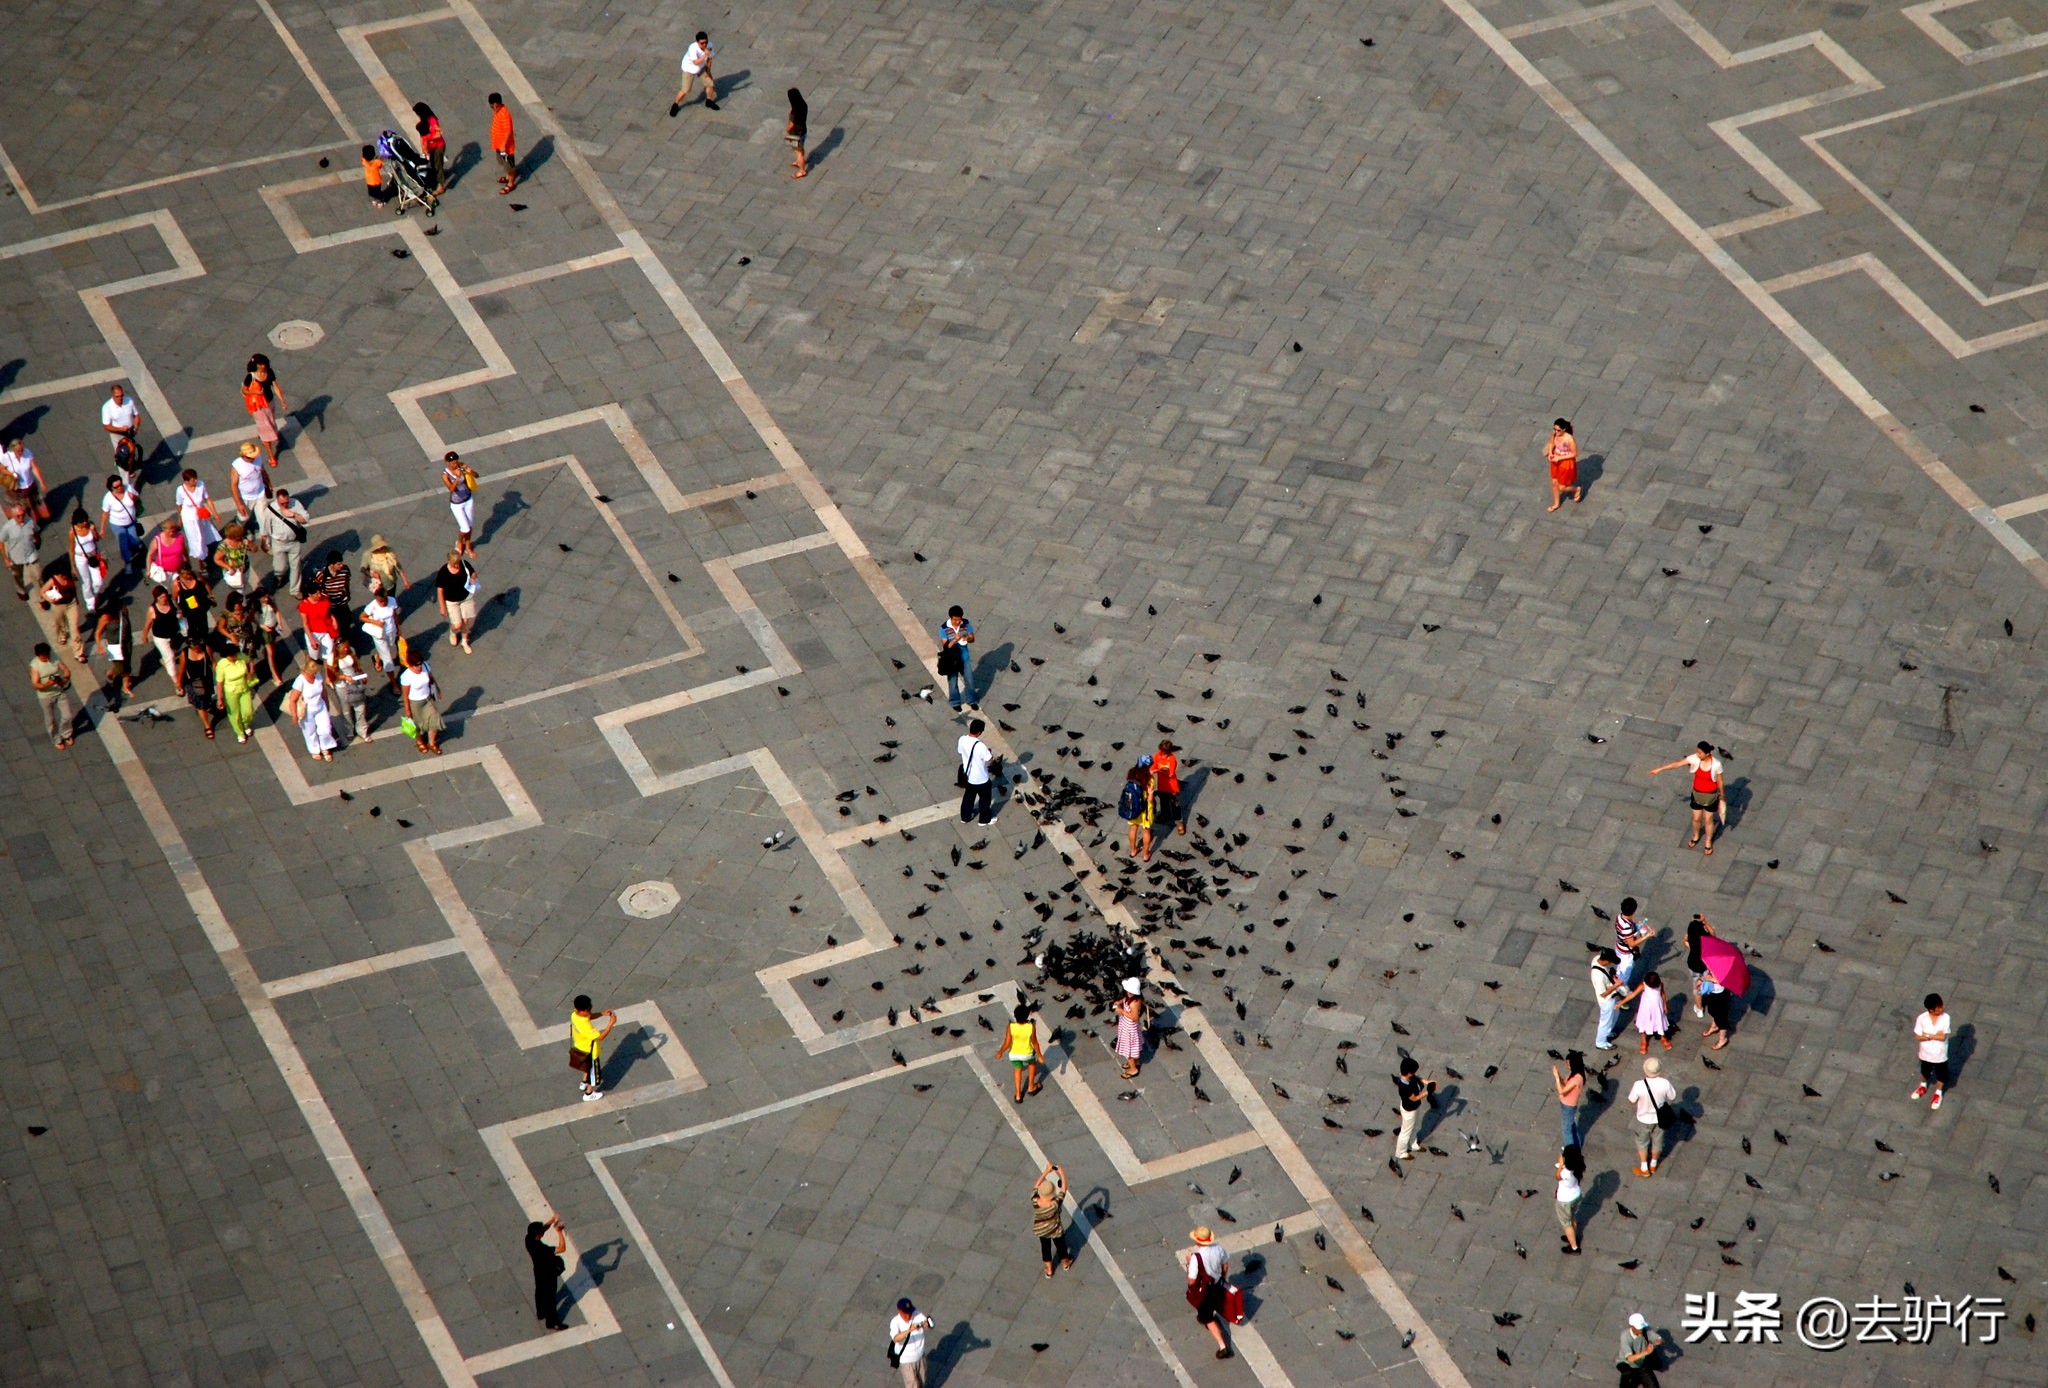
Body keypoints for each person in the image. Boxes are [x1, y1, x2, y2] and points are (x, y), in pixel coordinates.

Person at [1649, 740, 1725, 855]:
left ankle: (1708, 841)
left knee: (1708, 819)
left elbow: (1720, 781)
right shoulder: (1695, 759)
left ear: (1707, 753)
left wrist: (1722, 797)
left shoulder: (1716, 764)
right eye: (1697, 752)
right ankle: (1695, 836)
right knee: (1696, 818)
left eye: (1700, 753)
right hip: (1697, 794)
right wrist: (1660, 769)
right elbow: (1677, 764)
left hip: (1710, 795)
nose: (1697, 754)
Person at [1184, 1227, 1232, 1360]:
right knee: (1212, 1304)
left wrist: (1188, 1264)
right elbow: (1225, 1265)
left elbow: (1192, 1281)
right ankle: (1204, 1315)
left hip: (1204, 1291)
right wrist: (1222, 1277)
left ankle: (1223, 1346)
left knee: (1208, 1318)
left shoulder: (1195, 1257)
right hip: (1216, 1284)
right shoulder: (1218, 1248)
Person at [1625, 1057, 1678, 1177]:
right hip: (1660, 1119)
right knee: (1658, 1142)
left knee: (1642, 1142)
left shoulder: (1639, 1085)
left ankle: (1644, 1167)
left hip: (1643, 1119)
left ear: (1645, 1070)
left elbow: (1631, 1100)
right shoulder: (1664, 1083)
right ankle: (1653, 1164)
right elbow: (1672, 1097)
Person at [285, 655, 337, 761]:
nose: (315, 674)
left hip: (320, 705)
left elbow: (323, 691)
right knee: (310, 731)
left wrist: (326, 703)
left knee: (325, 729)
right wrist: (294, 715)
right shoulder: (300, 681)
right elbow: (292, 700)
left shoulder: (318, 675)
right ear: (307, 671)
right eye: (313, 673)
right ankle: (314, 749)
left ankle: (325, 746)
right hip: (307, 709)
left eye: (316, 672)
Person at [259, 486, 309, 593]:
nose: (285, 505)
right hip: (278, 543)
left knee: (296, 567)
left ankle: (295, 590)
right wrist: (264, 541)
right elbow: (265, 526)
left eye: (286, 502)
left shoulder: (295, 504)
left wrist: (293, 515)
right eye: (282, 503)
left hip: (294, 542)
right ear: (277, 500)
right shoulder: (271, 509)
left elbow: (305, 519)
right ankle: (279, 577)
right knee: (280, 567)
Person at [242, 355, 287, 469]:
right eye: (261, 364)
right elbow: (244, 390)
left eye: (265, 364)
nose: (263, 366)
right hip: (259, 407)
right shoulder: (250, 376)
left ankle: (265, 435)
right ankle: (271, 455)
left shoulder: (269, 372)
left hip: (270, 402)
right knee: (266, 429)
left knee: (271, 422)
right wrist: (256, 393)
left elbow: (275, 386)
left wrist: (282, 401)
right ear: (256, 365)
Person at [525, 1215, 568, 1331]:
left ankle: (541, 1312)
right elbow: (562, 1248)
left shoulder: (528, 1239)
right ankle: (552, 1321)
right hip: (548, 1273)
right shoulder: (542, 1249)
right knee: (550, 1298)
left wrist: (552, 1220)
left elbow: (543, 1228)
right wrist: (559, 1232)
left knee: (539, 1291)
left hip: (538, 1271)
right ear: (538, 1235)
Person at [35, 567, 87, 664]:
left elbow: (74, 588)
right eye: (59, 575)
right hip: (58, 605)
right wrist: (50, 600)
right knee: (59, 623)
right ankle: (61, 634)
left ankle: (78, 653)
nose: (61, 577)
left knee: (75, 628)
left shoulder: (70, 578)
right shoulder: (53, 580)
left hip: (72, 604)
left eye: (62, 575)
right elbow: (42, 591)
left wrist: (77, 599)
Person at [1031, 1161, 1073, 1277]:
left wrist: (1046, 1171)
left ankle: (1049, 1270)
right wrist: (1062, 1173)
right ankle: (1065, 1263)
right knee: (1061, 1246)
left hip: (1041, 1230)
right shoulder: (1055, 1204)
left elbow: (1036, 1185)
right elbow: (1064, 1189)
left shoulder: (1034, 1200)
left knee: (1045, 1248)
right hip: (1055, 1230)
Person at [570, 994, 617, 1100]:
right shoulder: (585, 1026)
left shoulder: (574, 1015)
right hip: (590, 1052)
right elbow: (601, 1037)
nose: (590, 1010)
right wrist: (610, 1024)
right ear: (583, 1010)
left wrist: (601, 1014)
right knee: (593, 1074)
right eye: (589, 1009)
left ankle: (583, 1082)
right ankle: (589, 1093)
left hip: (579, 1047)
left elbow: (589, 1016)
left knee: (586, 1066)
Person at [28, 642, 72, 749]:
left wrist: (64, 680)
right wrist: (49, 683)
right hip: (46, 696)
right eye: (44, 656)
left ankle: (66, 733)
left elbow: (66, 671)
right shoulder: (35, 666)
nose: (47, 658)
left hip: (59, 691)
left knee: (68, 715)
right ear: (38, 655)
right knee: (50, 719)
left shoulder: (54, 658)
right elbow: (36, 685)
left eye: (47, 655)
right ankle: (56, 739)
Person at [94, 596, 136, 708]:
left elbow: (128, 625)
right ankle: (110, 673)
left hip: (126, 642)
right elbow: (98, 633)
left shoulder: (123, 611)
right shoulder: (105, 617)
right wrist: (100, 646)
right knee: (120, 668)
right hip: (114, 645)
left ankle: (125, 687)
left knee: (127, 665)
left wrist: (130, 639)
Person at [400, 649, 444, 754]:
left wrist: (437, 689)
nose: (419, 667)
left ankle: (432, 743)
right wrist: (407, 709)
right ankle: (419, 742)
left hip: (427, 699)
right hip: (415, 703)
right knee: (417, 725)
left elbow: (431, 678)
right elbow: (405, 695)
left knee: (435, 720)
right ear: (410, 665)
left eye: (420, 664)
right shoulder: (406, 676)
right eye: (416, 665)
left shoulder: (425, 666)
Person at [434, 549, 478, 653]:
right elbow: (440, 591)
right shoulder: (443, 572)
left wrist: (472, 578)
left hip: (466, 597)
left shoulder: (464, 564)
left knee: (466, 621)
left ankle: (464, 641)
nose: (457, 566)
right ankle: (453, 632)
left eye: (458, 563)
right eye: (454, 564)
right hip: (452, 601)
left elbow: (474, 573)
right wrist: (442, 607)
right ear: (449, 561)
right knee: (458, 624)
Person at [1911, 993, 1950, 1110]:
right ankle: (1922, 1086)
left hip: (1940, 1054)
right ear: (1930, 1009)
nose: (1941, 1009)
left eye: (1941, 1006)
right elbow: (1917, 1036)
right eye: (1938, 1008)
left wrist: (1926, 1035)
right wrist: (1934, 1035)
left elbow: (1943, 1037)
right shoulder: (1921, 1019)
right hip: (1925, 1053)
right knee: (1924, 1071)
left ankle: (1938, 1093)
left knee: (1941, 1075)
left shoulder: (1945, 1017)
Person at [998, 1003, 1043, 1102]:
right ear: (1027, 1016)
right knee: (1032, 1064)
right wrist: (1039, 1055)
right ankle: (1031, 1087)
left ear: (1015, 1016)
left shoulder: (1010, 1026)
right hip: (1027, 1053)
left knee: (1017, 1070)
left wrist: (1000, 1052)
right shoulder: (1031, 1027)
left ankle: (1018, 1095)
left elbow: (1007, 1041)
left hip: (1014, 1054)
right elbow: (1034, 1042)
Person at [1392, 1056, 1434, 1159]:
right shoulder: (1404, 1086)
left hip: (1414, 1107)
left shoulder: (1409, 1077)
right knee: (1405, 1132)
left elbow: (1417, 1078)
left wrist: (1427, 1082)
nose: (1415, 1073)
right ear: (1409, 1072)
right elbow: (1414, 1098)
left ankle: (1413, 1144)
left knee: (1416, 1125)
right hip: (1409, 1110)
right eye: (1414, 1071)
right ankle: (1400, 1153)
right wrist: (1428, 1092)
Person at [99, 474, 144, 570]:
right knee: (124, 545)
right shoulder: (108, 499)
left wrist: (134, 498)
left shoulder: (129, 489)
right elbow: (105, 514)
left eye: (121, 485)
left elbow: (138, 498)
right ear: (111, 488)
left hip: (131, 522)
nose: (120, 488)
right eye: (117, 487)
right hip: (118, 525)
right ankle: (128, 562)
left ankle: (132, 549)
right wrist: (102, 529)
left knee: (135, 541)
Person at [1623, 969, 1674, 1053]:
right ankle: (1644, 1041)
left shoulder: (1660, 984)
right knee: (1644, 1025)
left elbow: (1663, 994)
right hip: (1646, 1010)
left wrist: (1665, 1005)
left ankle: (1662, 1037)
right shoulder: (1643, 986)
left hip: (1657, 1009)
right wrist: (1621, 1002)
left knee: (1659, 1022)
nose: (1654, 988)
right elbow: (1633, 994)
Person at [174, 468, 221, 558]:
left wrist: (215, 514)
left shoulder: (201, 484)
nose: (195, 481)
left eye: (196, 478)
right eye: (193, 480)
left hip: (200, 514)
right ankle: (199, 554)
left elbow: (208, 499)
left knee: (202, 533)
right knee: (194, 536)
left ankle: (203, 550)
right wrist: (180, 519)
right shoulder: (180, 490)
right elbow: (179, 506)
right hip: (188, 517)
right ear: (186, 481)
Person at [215, 642, 257, 743]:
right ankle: (240, 732)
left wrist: (251, 672)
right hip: (231, 692)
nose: (234, 657)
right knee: (234, 714)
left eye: (235, 654)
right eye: (231, 656)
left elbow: (250, 661)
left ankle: (245, 724)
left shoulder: (241, 657)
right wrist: (220, 698)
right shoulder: (222, 665)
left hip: (244, 689)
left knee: (248, 712)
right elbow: (219, 683)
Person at [935, 605, 976, 709]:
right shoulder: (944, 628)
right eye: (955, 619)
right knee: (953, 682)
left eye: (959, 619)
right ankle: (955, 702)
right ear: (950, 617)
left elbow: (972, 638)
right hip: (951, 659)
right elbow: (946, 646)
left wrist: (968, 638)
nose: (957, 622)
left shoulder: (966, 624)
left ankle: (971, 700)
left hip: (964, 656)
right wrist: (954, 640)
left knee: (969, 679)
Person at [362, 588, 401, 691]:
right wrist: (375, 622)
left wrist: (398, 628)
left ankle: (377, 657)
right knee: (387, 658)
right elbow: (362, 617)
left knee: (389, 647)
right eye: (381, 601)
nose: (383, 603)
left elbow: (395, 615)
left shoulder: (392, 600)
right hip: (379, 635)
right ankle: (393, 683)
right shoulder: (372, 606)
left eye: (385, 600)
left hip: (391, 631)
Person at [1, 436, 48, 524]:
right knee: (22, 508)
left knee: (33, 504)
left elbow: (34, 467)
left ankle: (35, 520)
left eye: (22, 449)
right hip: (17, 489)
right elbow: (2, 469)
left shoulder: (27, 452)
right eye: (18, 451)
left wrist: (42, 482)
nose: (21, 452)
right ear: (13, 450)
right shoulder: (7, 457)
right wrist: (11, 474)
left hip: (30, 485)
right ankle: (26, 522)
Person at [887, 1298, 932, 1387]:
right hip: (907, 1360)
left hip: (920, 1357)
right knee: (912, 1384)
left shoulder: (917, 1314)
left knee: (922, 1381)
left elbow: (930, 1324)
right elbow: (896, 1338)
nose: (909, 1315)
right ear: (899, 1311)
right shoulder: (895, 1322)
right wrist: (909, 1330)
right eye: (906, 1312)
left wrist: (927, 1324)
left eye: (910, 1311)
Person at [146, 586, 183, 694]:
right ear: (156, 598)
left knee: (173, 650)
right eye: (162, 597)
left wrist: (179, 613)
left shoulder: (171, 601)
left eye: (165, 596)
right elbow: (148, 623)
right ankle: (177, 683)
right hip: (160, 637)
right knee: (170, 657)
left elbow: (178, 608)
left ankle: (165, 658)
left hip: (174, 633)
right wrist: (144, 635)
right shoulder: (153, 609)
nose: (164, 599)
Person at [670, 31, 718, 115]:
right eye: (702, 43)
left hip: (702, 68)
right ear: (697, 42)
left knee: (710, 84)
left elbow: (710, 59)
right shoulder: (692, 48)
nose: (704, 44)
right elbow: (696, 62)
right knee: (685, 90)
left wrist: (708, 71)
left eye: (706, 42)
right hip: (689, 69)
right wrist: (705, 55)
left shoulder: (709, 45)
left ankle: (709, 100)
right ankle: (675, 104)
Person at [957, 717, 994, 824]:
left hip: (968, 776)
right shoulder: (981, 746)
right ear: (979, 732)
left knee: (968, 798)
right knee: (985, 801)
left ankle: (965, 817)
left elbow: (960, 751)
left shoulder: (962, 739)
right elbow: (990, 760)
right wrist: (989, 752)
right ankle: (984, 820)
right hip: (982, 779)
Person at [331, 648, 371, 744]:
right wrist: (344, 677)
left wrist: (362, 674)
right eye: (343, 647)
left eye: (346, 646)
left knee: (360, 707)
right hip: (342, 686)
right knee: (346, 709)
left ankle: (362, 731)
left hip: (355, 682)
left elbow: (357, 665)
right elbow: (332, 674)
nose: (345, 649)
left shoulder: (351, 651)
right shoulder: (332, 657)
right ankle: (349, 730)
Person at [442, 452, 478, 560]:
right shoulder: (445, 474)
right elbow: (451, 489)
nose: (455, 464)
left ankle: (468, 546)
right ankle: (459, 543)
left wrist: (471, 472)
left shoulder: (462, 466)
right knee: (465, 528)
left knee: (470, 526)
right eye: (452, 463)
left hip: (468, 499)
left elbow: (477, 475)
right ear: (447, 462)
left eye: (456, 461)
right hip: (457, 504)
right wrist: (457, 478)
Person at [1591, 947, 1628, 1050]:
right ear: (1606, 961)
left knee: (1615, 1014)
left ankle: (1609, 1032)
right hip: (1606, 1001)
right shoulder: (1598, 976)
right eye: (1611, 962)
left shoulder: (1597, 959)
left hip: (1612, 996)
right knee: (1605, 1022)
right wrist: (1616, 985)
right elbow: (1603, 994)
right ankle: (1601, 1042)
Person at [101, 384, 142, 474]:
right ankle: (125, 478)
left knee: (131, 451)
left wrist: (136, 427)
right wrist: (121, 429)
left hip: (130, 432)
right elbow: (106, 426)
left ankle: (130, 468)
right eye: (117, 396)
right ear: (113, 396)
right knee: (122, 456)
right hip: (117, 434)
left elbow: (136, 415)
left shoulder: (129, 401)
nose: (120, 398)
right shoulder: (107, 407)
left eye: (122, 395)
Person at [1117, 763, 1155, 862]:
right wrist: (1151, 793)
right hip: (1145, 810)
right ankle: (1146, 854)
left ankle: (1133, 850)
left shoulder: (1132, 776)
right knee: (1146, 830)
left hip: (1134, 808)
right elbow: (1150, 800)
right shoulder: (1149, 780)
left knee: (1133, 827)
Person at [1616, 1311, 1664, 1387]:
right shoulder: (1625, 1336)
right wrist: (1646, 1352)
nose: (1641, 1330)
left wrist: (1658, 1342)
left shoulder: (1645, 1330)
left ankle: (1638, 1377)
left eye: (1641, 1327)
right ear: (1631, 1327)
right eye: (1638, 1328)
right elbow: (1630, 1358)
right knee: (1627, 1376)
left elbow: (1658, 1339)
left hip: (1641, 1364)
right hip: (1626, 1364)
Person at [1, 499, 36, 599]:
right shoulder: (7, 528)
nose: (22, 518)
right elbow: (1, 542)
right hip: (15, 556)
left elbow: (35, 530)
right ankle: (21, 590)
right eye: (18, 516)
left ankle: (41, 596)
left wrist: (36, 539)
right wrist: (5, 558)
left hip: (30, 553)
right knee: (18, 575)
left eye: (23, 515)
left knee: (38, 574)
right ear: (13, 516)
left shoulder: (29, 521)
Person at [1683, 912, 1715, 1019]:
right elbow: (1713, 933)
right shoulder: (1707, 940)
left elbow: (1686, 940)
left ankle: (1699, 1009)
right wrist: (1704, 922)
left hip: (1693, 964)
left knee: (1696, 987)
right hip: (1706, 964)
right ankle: (1709, 990)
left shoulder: (1692, 939)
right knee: (1707, 979)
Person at [1113, 978, 1146, 1079]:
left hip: (1130, 1029)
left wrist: (1121, 1011)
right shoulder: (1130, 998)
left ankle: (1133, 1069)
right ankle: (1132, 1063)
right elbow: (1124, 1000)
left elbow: (1135, 1017)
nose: (1129, 993)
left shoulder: (1134, 1003)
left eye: (1130, 992)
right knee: (1130, 1049)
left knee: (1128, 1052)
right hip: (1126, 1026)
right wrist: (1119, 1002)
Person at [1544, 417, 1580, 511]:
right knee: (1554, 482)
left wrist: (1559, 457)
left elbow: (1574, 453)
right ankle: (1556, 503)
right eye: (1554, 429)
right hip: (1556, 460)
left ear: (1564, 429)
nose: (1556, 432)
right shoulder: (1554, 434)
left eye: (1558, 430)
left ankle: (1576, 490)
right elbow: (1551, 443)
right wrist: (1551, 453)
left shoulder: (1569, 439)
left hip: (1565, 462)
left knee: (1562, 487)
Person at [1552, 1050, 1586, 1149]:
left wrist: (1557, 1078)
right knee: (1572, 1126)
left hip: (1568, 1106)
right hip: (1566, 1104)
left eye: (1568, 1063)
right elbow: (1565, 1085)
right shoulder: (1574, 1075)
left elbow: (1562, 1091)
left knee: (1566, 1130)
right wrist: (1559, 1078)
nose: (1567, 1065)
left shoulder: (1577, 1079)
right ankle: (1577, 1145)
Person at [1554, 1144, 1584, 1254]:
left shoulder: (1565, 1172)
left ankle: (1574, 1247)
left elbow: (1557, 1176)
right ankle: (1572, 1236)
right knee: (1572, 1217)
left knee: (1566, 1223)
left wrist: (1561, 1164)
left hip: (1565, 1200)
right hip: (1576, 1195)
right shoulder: (1579, 1165)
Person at [1612, 896, 1648, 986]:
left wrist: (1636, 926)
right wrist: (1646, 936)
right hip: (1626, 952)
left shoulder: (1620, 917)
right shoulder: (1626, 927)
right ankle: (1620, 990)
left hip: (1619, 946)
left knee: (1620, 966)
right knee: (1625, 975)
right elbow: (1632, 944)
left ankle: (1617, 977)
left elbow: (1626, 931)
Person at [297, 586, 339, 663]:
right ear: (310, 595)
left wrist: (333, 619)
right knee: (314, 656)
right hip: (314, 633)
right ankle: (310, 662)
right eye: (316, 594)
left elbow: (328, 611)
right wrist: (312, 640)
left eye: (319, 592)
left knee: (329, 655)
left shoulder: (324, 599)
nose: (319, 595)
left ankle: (328, 673)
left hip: (326, 630)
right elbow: (305, 624)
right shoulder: (304, 606)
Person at [487, 92, 519, 194]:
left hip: (505, 148)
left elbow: (508, 131)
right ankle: (507, 177)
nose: (494, 108)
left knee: (509, 165)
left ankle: (511, 183)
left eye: (495, 105)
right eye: (492, 106)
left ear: (499, 103)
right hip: (499, 146)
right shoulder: (498, 111)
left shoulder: (504, 114)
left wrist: (503, 145)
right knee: (503, 163)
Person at [1151, 739, 1183, 835]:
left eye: (1166, 752)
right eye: (1162, 752)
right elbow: (1152, 768)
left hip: (1172, 787)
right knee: (1163, 802)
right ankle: (1165, 815)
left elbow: (1171, 774)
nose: (1163, 754)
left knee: (1175, 805)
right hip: (1162, 785)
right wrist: (1155, 770)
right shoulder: (1157, 756)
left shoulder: (1172, 759)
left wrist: (1158, 770)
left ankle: (1179, 822)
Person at [413, 102, 447, 195]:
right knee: (433, 163)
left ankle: (441, 186)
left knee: (438, 165)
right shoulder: (422, 123)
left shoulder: (432, 120)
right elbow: (421, 136)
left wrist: (428, 138)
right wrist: (424, 148)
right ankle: (439, 176)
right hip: (431, 147)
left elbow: (438, 134)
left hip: (438, 146)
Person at [230, 442, 268, 522]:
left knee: (263, 518)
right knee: (243, 518)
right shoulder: (237, 466)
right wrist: (239, 504)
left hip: (260, 493)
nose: (253, 459)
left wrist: (268, 486)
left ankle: (264, 534)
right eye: (250, 457)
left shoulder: (258, 458)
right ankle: (239, 531)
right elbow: (234, 485)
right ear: (243, 456)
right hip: (245, 497)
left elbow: (263, 472)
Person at [362, 534, 408, 600]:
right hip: (378, 586)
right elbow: (363, 569)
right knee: (381, 601)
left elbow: (398, 567)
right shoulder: (368, 555)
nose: (381, 548)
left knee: (391, 600)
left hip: (391, 583)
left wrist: (405, 581)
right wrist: (371, 573)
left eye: (382, 546)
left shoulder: (390, 552)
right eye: (378, 547)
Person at [1698, 971, 1734, 1050]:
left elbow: (1726, 980)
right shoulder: (1712, 965)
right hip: (1712, 993)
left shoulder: (1726, 968)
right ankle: (1714, 1026)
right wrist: (1701, 980)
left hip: (1721, 995)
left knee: (1722, 1018)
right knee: (1712, 1011)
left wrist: (1712, 979)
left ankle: (1722, 1039)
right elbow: (1705, 974)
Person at [214, 522, 251, 594]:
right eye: (239, 535)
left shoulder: (242, 541)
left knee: (244, 585)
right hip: (233, 572)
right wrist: (228, 567)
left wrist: (250, 544)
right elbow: (217, 559)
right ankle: (241, 600)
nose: (241, 536)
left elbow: (255, 549)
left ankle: (242, 597)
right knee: (238, 590)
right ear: (232, 536)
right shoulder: (224, 546)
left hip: (244, 569)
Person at [785, 88, 808, 178]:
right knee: (800, 149)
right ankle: (799, 161)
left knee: (798, 152)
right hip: (803, 130)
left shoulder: (795, 111)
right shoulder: (803, 105)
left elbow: (792, 124)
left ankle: (802, 170)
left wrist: (787, 130)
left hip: (795, 133)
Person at [362, 143, 390, 209]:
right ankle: (381, 200)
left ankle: (378, 199)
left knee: (373, 193)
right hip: (376, 181)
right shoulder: (375, 163)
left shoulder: (364, 161)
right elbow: (380, 161)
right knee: (377, 193)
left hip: (370, 181)